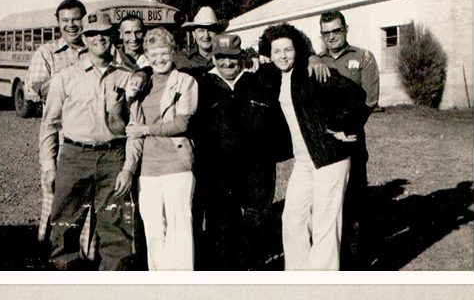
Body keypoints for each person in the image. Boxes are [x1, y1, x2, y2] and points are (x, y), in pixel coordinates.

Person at [258, 23, 368, 271]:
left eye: (288, 50)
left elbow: (355, 95)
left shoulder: (310, 71)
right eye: (277, 51)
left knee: (324, 225)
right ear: (269, 53)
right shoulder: (275, 76)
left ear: (297, 50)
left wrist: (338, 126)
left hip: (330, 158)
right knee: (292, 219)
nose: (283, 56)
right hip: (304, 162)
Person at [39, 12, 139, 270]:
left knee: (116, 229)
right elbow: (49, 125)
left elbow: (135, 126)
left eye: (105, 33)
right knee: (64, 227)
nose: (99, 39)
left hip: (113, 158)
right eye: (93, 34)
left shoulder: (127, 76)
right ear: (84, 38)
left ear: (112, 37)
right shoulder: (65, 77)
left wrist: (128, 168)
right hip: (74, 158)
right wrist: (49, 167)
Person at [194, 34, 289, 270]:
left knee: (254, 231)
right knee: (222, 234)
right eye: (221, 57)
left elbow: (278, 125)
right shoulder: (202, 87)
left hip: (256, 175)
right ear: (213, 58)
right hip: (218, 177)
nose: (227, 63)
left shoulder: (260, 82)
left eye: (232, 58)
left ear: (242, 58)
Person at [126, 27, 198, 270]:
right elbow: (132, 127)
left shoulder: (185, 81)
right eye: (154, 53)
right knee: (154, 230)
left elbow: (181, 123)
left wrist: (145, 130)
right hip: (147, 167)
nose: (160, 59)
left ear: (174, 52)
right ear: (146, 54)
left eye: (164, 53)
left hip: (176, 163)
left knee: (180, 229)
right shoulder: (141, 84)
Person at [317, 10, 379, 270]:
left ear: (346, 29)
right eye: (326, 33)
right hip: (322, 143)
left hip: (352, 139)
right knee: (326, 205)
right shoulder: (314, 61)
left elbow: (369, 100)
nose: (332, 37)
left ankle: (354, 264)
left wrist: (346, 130)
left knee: (354, 204)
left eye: (336, 31)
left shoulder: (362, 57)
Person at [25, 0, 87, 243]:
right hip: (58, 138)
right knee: (54, 195)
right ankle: (46, 247)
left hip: (87, 138)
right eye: (65, 21)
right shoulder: (47, 52)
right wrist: (70, 76)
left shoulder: (95, 49)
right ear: (58, 23)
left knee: (85, 199)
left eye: (76, 20)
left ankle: (83, 255)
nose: (71, 25)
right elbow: (38, 90)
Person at [174, 6, 229, 76]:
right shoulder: (181, 60)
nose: (206, 36)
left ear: (217, 33)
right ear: (194, 34)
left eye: (210, 30)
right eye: (201, 30)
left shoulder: (227, 59)